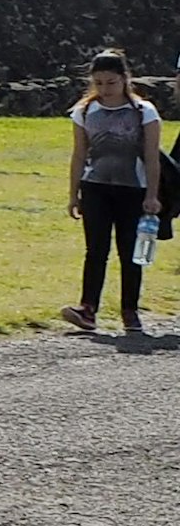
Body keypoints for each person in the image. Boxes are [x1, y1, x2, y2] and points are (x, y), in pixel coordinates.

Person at [62, 50, 163, 338]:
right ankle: (88, 308)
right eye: (99, 83)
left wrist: (152, 195)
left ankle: (130, 310)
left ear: (124, 79)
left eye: (111, 83)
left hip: (133, 189)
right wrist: (73, 194)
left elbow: (151, 156)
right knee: (96, 250)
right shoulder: (84, 112)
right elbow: (79, 155)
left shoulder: (144, 112)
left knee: (130, 252)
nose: (105, 89)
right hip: (95, 187)